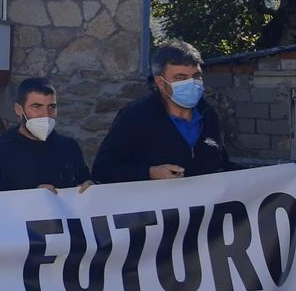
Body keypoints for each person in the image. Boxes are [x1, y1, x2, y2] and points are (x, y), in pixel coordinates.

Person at [93, 40, 234, 183]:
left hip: (203, 203)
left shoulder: (208, 115)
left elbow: (221, 164)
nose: (191, 83)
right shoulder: (135, 117)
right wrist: (150, 172)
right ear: (161, 83)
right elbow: (103, 169)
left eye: (196, 76)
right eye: (181, 78)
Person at [0, 78, 95, 195]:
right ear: (19, 110)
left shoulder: (69, 147)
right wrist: (32, 198)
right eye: (37, 107)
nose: (45, 114)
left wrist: (90, 187)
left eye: (51, 107)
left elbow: (84, 182)